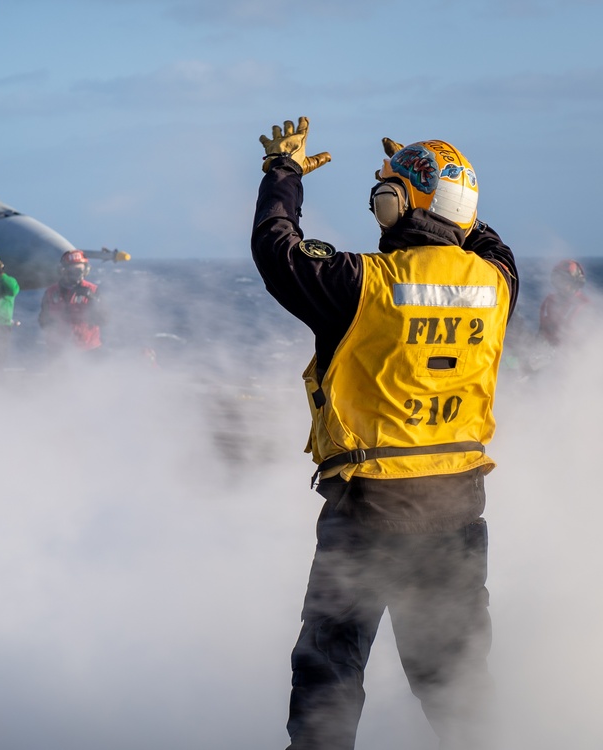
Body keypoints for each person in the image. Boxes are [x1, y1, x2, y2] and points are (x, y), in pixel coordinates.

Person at [251, 118, 518, 750]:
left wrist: (281, 173)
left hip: (370, 510)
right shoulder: (497, 281)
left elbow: (276, 247)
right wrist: (438, 185)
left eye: (385, 191)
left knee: (331, 672)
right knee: (455, 680)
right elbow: (482, 238)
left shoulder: (363, 284)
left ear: (396, 203)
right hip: (457, 509)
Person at [38, 249, 106, 358]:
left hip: (89, 350)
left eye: (80, 270)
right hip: (59, 351)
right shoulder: (51, 293)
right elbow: (43, 320)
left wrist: (92, 299)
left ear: (86, 270)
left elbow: (103, 319)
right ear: (63, 271)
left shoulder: (93, 291)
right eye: (72, 270)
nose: (77, 274)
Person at [538, 258, 589, 347]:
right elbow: (541, 332)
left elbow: (587, 341)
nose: (561, 284)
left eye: (565, 279)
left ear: (576, 281)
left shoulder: (584, 307)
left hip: (572, 354)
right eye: (558, 279)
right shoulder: (549, 303)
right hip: (547, 352)